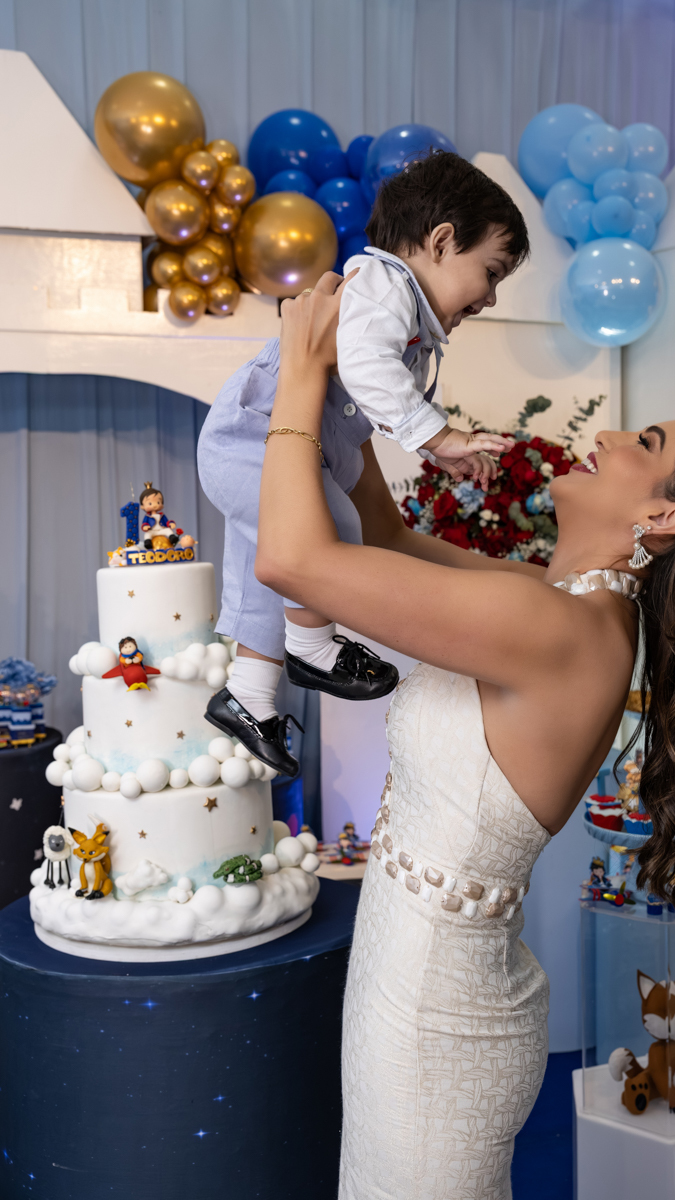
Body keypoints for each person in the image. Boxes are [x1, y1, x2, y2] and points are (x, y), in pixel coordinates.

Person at [255, 273, 675, 1199]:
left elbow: (292, 560)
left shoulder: (560, 629)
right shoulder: (553, 600)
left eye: (644, 443)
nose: (609, 437)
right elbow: (383, 535)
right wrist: (352, 382)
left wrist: (298, 374)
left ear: (662, 517)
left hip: (433, 1017)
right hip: (412, 986)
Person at [197, 152, 528, 777]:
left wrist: (437, 448)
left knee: (272, 572)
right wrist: (440, 437)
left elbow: (381, 397)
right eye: (491, 273)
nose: (489, 298)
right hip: (251, 438)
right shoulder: (384, 285)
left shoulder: (405, 310)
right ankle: (311, 649)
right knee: (326, 535)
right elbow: (367, 368)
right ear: (440, 241)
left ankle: (248, 694)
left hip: (295, 445)